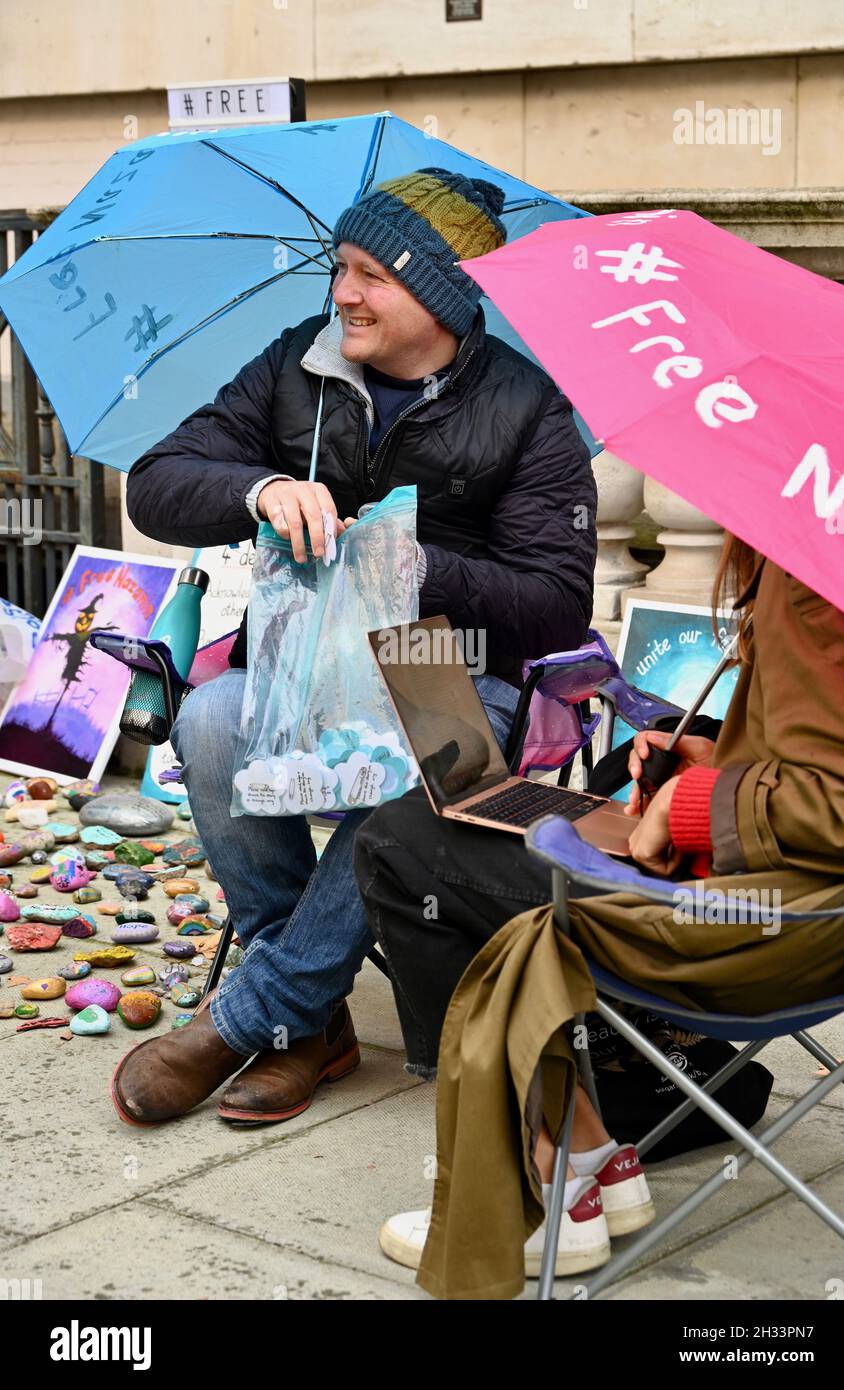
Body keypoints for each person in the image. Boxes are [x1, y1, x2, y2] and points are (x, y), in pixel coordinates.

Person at [110, 167, 598, 1128]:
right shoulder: (301, 362)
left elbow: (554, 605)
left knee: (419, 756)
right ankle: (313, 1013)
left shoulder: (526, 407)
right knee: (209, 720)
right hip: (302, 661)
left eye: (371, 273)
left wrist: (414, 562)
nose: (343, 293)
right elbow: (156, 481)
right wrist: (257, 492)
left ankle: (261, 1016)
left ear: (442, 293)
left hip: (446, 666)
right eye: (342, 267)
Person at [354, 538, 844, 1292]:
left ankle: (546, 1180)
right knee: (502, 817)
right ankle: (592, 1151)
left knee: (401, 844)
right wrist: (707, 761)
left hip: (767, 932)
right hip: (817, 923)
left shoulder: (819, 571)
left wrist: (688, 807)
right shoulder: (828, 544)